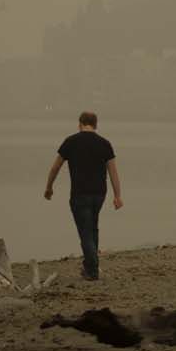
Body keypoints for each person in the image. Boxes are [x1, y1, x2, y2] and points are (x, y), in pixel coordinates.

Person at [44, 111, 122, 280]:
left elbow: (55, 167)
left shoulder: (71, 141)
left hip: (80, 194)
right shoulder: (105, 144)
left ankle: (92, 269)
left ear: (80, 123)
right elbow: (113, 172)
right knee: (93, 228)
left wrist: (49, 187)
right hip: (99, 194)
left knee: (85, 231)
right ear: (96, 124)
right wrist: (117, 196)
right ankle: (90, 266)